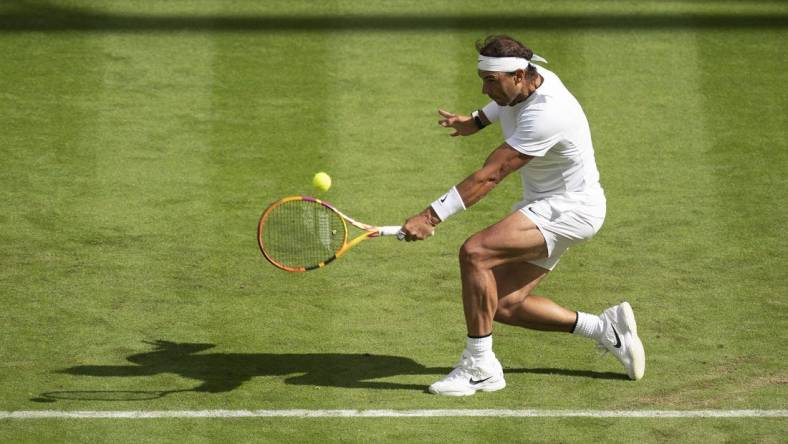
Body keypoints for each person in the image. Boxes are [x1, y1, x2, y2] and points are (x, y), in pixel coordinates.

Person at [400, 35, 645, 396]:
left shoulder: (548, 113)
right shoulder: (527, 82)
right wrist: (477, 120)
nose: (485, 89)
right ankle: (607, 331)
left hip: (570, 209)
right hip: (552, 205)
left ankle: (480, 368)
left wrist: (430, 217)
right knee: (499, 304)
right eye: (482, 79)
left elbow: (490, 176)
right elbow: (505, 103)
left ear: (517, 75)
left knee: (475, 253)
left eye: (490, 81)